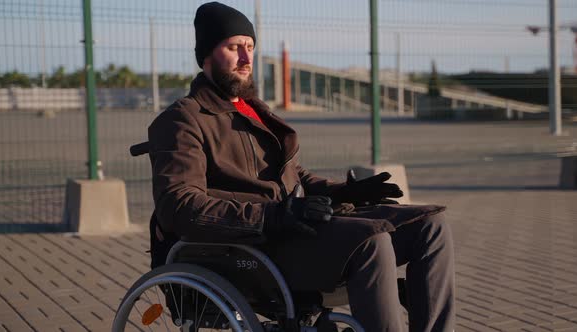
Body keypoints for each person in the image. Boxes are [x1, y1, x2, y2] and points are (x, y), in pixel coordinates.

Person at [147, 2, 455, 331]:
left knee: (430, 226)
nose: (247, 59)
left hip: (294, 232)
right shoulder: (183, 120)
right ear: (207, 53)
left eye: (250, 47)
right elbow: (179, 205)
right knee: (371, 239)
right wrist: (275, 215)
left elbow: (294, 177)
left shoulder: (253, 111)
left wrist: (346, 191)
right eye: (234, 47)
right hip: (254, 247)